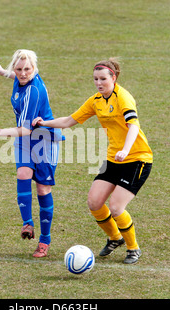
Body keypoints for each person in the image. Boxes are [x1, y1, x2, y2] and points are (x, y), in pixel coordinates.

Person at [32, 58, 153, 264]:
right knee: (94, 202)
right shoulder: (96, 100)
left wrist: (125, 150)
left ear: (113, 78)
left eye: (103, 79)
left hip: (137, 159)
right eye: (96, 79)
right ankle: (115, 238)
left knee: (116, 207)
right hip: (113, 158)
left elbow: (133, 126)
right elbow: (70, 121)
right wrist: (45, 123)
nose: (99, 83)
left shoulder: (123, 98)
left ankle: (133, 248)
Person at [0, 49, 62, 258]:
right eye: (18, 69)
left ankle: (44, 241)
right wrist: (3, 71)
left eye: (27, 69)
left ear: (34, 69)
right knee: (22, 174)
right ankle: (27, 223)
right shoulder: (20, 77)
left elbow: (27, 129)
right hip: (26, 140)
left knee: (43, 189)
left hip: (44, 141)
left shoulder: (33, 92)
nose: (22, 73)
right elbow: (16, 76)